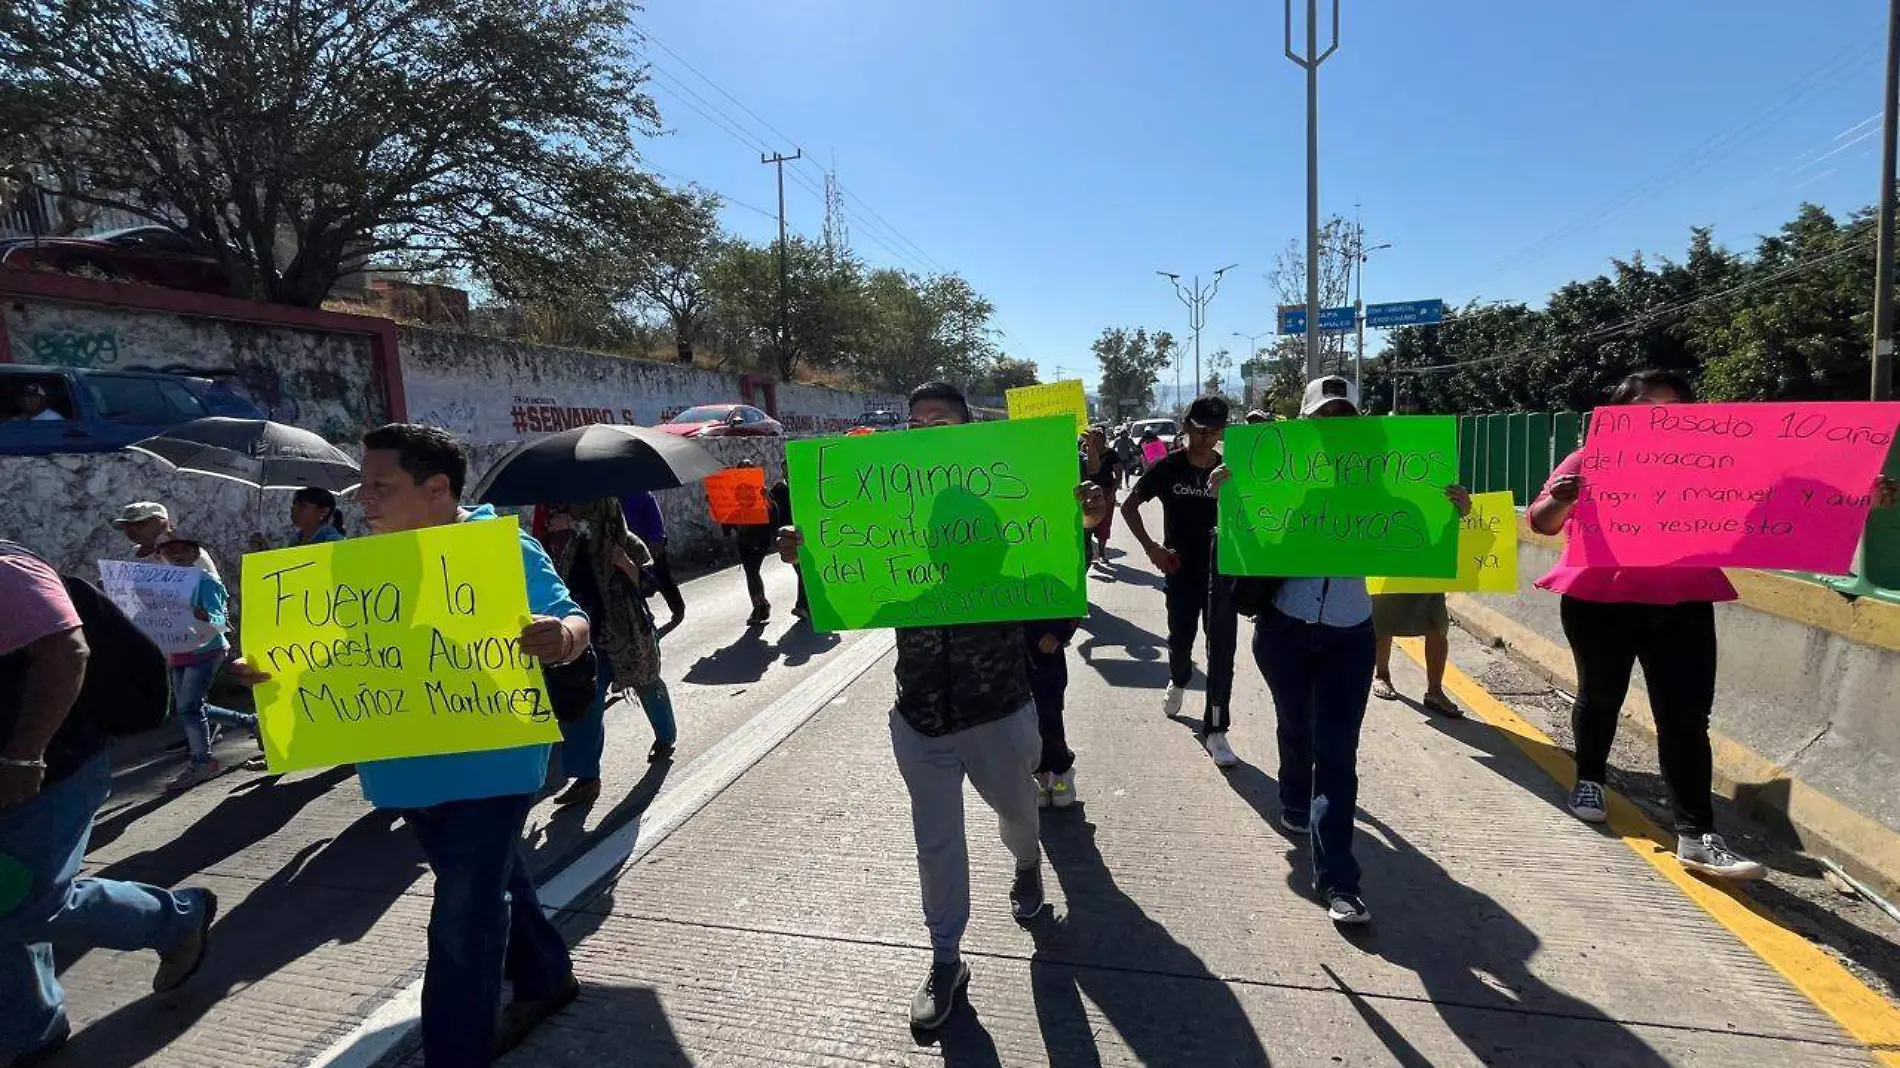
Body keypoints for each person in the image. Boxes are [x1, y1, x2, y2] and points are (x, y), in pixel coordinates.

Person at [227, 423, 590, 1065]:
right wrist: (266, 667)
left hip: (494, 762)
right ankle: (546, 977)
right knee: (488, 879)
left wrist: (560, 636)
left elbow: (572, 615)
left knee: (462, 918)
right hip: (404, 769)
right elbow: (324, 658)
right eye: (364, 484)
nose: (363, 498)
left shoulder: (499, 548)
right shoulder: (348, 564)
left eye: (380, 486)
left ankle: (455, 1054)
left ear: (437, 489)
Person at [776, 381, 1105, 1033]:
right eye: (917, 422)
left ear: (969, 431)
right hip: (918, 718)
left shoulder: (1007, 508)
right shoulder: (895, 516)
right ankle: (947, 958)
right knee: (937, 845)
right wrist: (807, 560)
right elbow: (837, 601)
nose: (927, 430)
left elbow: (1054, 583)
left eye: (942, 422)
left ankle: (1026, 863)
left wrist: (1084, 523)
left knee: (1018, 820)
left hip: (1000, 714)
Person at [1214, 375, 1468, 927]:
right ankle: (1293, 798)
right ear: (1306, 425)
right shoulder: (1274, 481)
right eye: (1323, 419)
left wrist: (1454, 513)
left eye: (1344, 418)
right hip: (1283, 628)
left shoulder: (1385, 490)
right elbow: (1243, 551)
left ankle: (1338, 882)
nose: (1334, 428)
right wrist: (1230, 499)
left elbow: (1420, 554)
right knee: (1294, 727)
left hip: (1350, 635)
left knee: (1336, 754)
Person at [1527, 369, 1770, 879]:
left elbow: (1776, 500)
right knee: (1600, 698)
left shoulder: (1710, 465)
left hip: (1682, 601)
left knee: (1685, 718)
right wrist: (1564, 497)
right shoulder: (1587, 462)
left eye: (1676, 406)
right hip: (1599, 600)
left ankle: (1698, 833)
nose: (1665, 416)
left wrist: (1855, 497)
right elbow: (1542, 521)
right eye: (1651, 406)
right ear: (1621, 413)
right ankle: (1590, 778)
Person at [1, 541, 217, 1067]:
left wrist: (23, 758)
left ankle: (176, 920)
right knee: (7, 897)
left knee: (29, 904)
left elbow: (67, 652)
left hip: (49, 771)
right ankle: (31, 1030)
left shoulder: (7, 570)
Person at [1121, 395, 1240, 768]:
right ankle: (1179, 677)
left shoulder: (1230, 469)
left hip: (1222, 575)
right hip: (1180, 571)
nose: (1207, 440)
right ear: (1186, 426)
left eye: (1216, 432)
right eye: (1201, 430)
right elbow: (1129, 507)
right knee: (1181, 640)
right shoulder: (1167, 467)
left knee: (1221, 651)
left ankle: (1216, 729)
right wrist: (1151, 548)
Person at [534, 498, 678, 806]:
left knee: (648, 685)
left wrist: (624, 564)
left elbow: (650, 583)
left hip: (628, 634)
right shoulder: (568, 546)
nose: (571, 514)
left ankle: (666, 738)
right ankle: (587, 779)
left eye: (580, 510)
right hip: (589, 638)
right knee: (586, 704)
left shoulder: (628, 543)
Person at [153, 536, 260, 792]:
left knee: (189, 708)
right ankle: (251, 722)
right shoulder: (158, 585)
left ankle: (203, 762)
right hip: (178, 651)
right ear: (161, 554)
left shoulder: (205, 581)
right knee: (189, 707)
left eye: (184, 549)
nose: (177, 554)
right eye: (170, 550)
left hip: (206, 651)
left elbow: (220, 618)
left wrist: (206, 616)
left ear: (196, 552)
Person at [1370, 593, 1462, 717]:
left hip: (1429, 577)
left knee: (1437, 623)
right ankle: (1382, 675)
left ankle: (1435, 691)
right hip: (1392, 577)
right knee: (1384, 618)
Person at [620, 490, 685, 626]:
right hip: (629, 550)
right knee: (634, 584)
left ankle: (678, 608)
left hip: (651, 545)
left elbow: (654, 515)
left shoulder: (640, 493)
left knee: (662, 579)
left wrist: (656, 539)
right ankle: (646, 616)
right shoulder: (611, 502)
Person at [111, 502, 222, 581]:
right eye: (127, 526)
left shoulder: (189, 553)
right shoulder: (130, 555)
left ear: (163, 523)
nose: (132, 530)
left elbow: (214, 593)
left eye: (140, 524)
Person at [724, 469, 775, 627]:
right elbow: (728, 521)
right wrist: (715, 505)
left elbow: (773, 513)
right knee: (750, 574)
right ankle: (759, 605)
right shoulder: (734, 494)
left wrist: (766, 498)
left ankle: (760, 606)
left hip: (759, 541)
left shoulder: (761, 493)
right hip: (744, 542)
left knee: (752, 572)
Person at [1080, 428, 1123, 567]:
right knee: (1087, 525)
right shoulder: (1084, 453)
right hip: (1086, 495)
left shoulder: (1111, 454)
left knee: (1104, 524)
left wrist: (1112, 492)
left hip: (1104, 493)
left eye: (1100, 438)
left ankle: (1102, 552)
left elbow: (1118, 474)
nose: (1098, 441)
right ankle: (1090, 552)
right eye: (1094, 438)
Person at [768, 479, 809, 620]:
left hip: (808, 534)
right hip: (790, 537)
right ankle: (804, 605)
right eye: (784, 469)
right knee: (802, 571)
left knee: (805, 572)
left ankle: (803, 605)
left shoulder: (807, 486)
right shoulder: (779, 489)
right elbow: (771, 509)